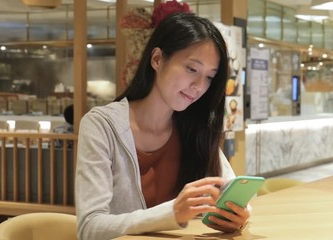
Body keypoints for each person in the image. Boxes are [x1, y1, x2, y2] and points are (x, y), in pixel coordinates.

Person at [75, 12, 250, 240]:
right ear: (157, 59)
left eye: (209, 77)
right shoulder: (101, 125)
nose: (199, 86)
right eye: (192, 69)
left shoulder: (195, 127)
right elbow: (89, 228)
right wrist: (173, 212)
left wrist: (239, 214)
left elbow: (230, 188)